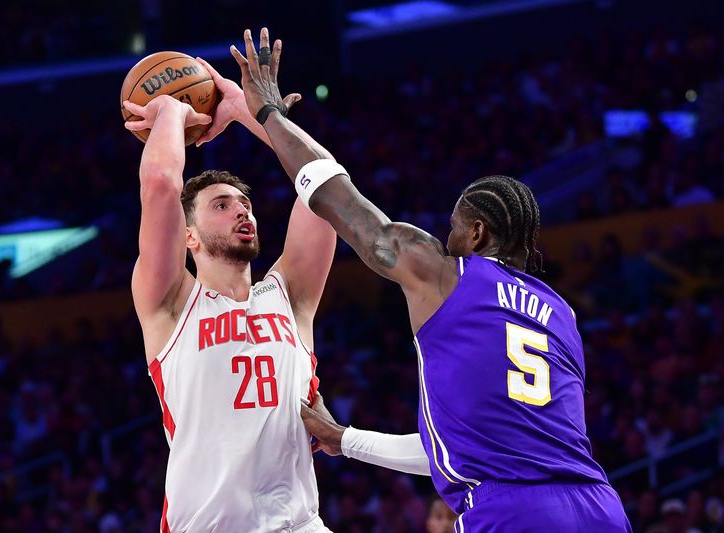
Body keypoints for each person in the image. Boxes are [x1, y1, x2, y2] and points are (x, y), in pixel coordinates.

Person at [230, 27, 633, 532]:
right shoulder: (562, 314)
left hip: (511, 513)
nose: (446, 238)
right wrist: (344, 439)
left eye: (454, 229)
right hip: (599, 506)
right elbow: (470, 448)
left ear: (478, 232)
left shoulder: (446, 274)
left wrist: (268, 115)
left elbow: (341, 202)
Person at [122, 56, 337, 532]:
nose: (243, 212)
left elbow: (327, 184)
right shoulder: (171, 303)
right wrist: (174, 115)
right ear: (189, 237)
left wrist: (250, 111)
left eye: (246, 204)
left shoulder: (289, 295)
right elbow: (160, 184)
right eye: (222, 205)